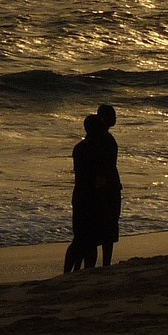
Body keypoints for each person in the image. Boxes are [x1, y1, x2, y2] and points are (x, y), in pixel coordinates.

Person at [63, 114, 104, 273]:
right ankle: (87, 270)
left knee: (80, 237)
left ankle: (69, 271)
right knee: (89, 239)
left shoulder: (80, 148)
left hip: (80, 195)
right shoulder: (95, 149)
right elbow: (99, 175)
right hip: (90, 195)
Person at [92, 104, 123, 265]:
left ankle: (101, 263)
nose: (115, 118)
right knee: (109, 225)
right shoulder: (106, 139)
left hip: (105, 186)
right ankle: (106, 263)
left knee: (102, 226)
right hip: (108, 187)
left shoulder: (96, 138)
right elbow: (106, 166)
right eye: (113, 115)